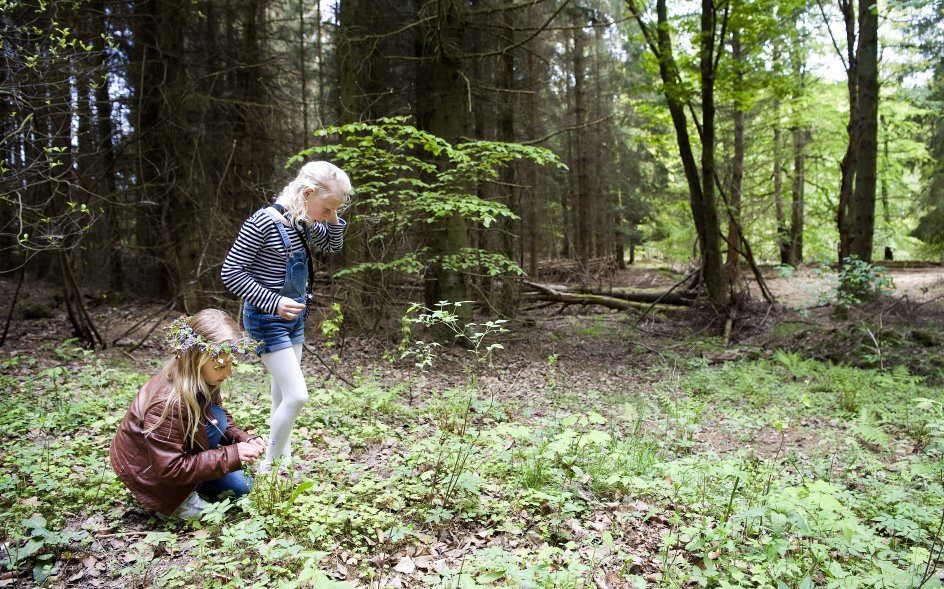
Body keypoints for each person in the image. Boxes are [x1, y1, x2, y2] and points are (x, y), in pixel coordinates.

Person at [221, 160, 352, 472]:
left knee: (282, 399)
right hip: (267, 320)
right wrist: (274, 302)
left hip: (294, 321)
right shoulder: (262, 222)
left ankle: (284, 461)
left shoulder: (301, 221)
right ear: (307, 193)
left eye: (334, 211)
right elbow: (231, 272)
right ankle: (268, 465)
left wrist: (332, 217)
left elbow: (333, 244)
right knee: (297, 396)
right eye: (327, 208)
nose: (329, 216)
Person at [110, 309, 266, 519]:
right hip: (152, 473)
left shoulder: (203, 378)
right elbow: (169, 468)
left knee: (245, 487)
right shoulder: (169, 402)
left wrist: (242, 439)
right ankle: (176, 500)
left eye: (232, 364)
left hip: (180, 452)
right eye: (221, 366)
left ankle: (197, 478)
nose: (228, 374)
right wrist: (231, 455)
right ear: (195, 359)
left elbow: (217, 416)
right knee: (207, 515)